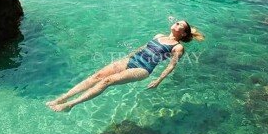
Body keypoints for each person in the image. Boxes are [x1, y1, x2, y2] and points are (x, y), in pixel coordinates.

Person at [46, 20, 204, 112]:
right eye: (177, 22)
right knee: (96, 76)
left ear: (183, 33)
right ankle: (62, 98)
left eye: (179, 25)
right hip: (131, 59)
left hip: (143, 68)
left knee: (106, 82)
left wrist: (158, 81)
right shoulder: (159, 35)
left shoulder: (178, 47)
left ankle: (70, 105)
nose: (175, 23)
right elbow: (143, 47)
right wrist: (126, 58)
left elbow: (171, 66)